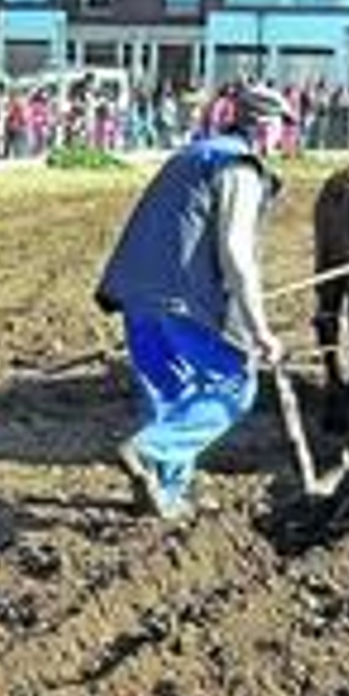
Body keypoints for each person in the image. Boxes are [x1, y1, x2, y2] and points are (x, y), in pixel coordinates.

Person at [95, 81, 290, 521]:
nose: (284, 134)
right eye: (282, 124)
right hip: (183, 300)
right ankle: (149, 452)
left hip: (136, 292)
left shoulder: (194, 153)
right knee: (234, 387)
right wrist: (260, 333)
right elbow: (236, 252)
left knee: (170, 394)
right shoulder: (239, 167)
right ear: (263, 126)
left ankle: (164, 494)